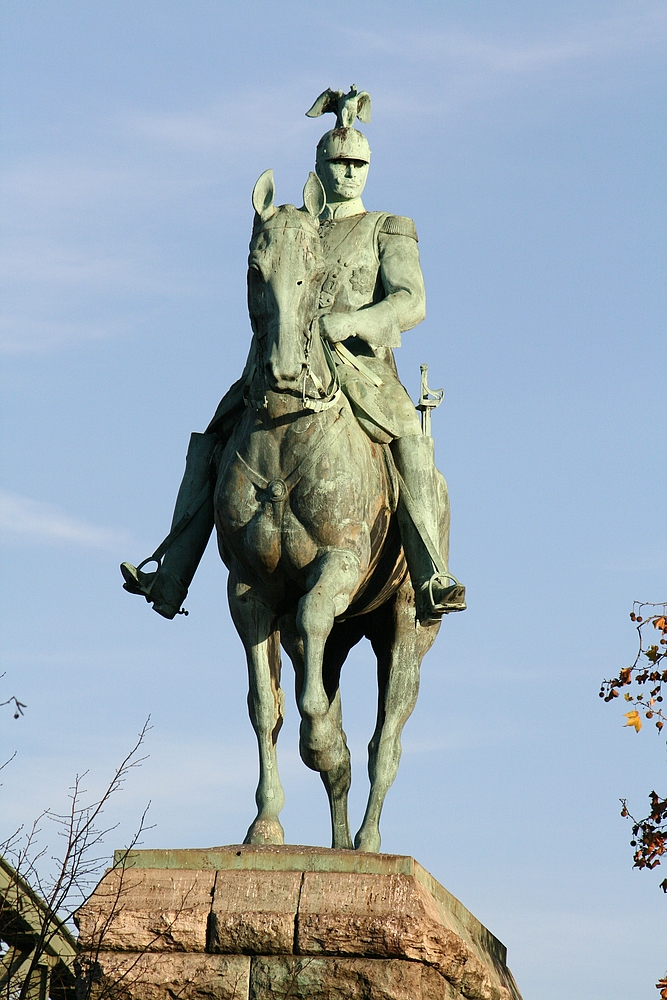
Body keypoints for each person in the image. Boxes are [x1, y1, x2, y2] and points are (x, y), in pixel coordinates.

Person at [121, 87, 466, 625]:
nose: (348, 171)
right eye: (337, 161)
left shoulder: (387, 227)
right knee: (214, 439)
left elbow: (411, 300)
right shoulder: (293, 225)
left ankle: (429, 574)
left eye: (357, 162)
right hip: (277, 362)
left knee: (411, 440)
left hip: (362, 370)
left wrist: (350, 322)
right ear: (319, 166)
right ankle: (172, 572)